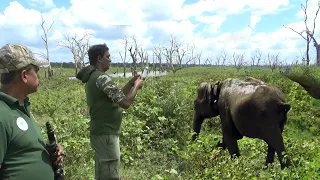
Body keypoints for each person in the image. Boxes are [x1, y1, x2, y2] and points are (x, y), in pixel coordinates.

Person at [76, 43, 144, 180]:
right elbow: (125, 103)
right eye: (108, 56)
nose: (110, 59)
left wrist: (131, 84)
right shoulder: (101, 78)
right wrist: (136, 86)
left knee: (102, 175)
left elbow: (117, 97)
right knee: (110, 175)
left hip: (101, 134)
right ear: (100, 58)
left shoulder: (94, 77)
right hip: (106, 136)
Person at [0, 43, 64, 179]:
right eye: (36, 71)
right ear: (24, 75)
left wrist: (48, 155)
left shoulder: (21, 109)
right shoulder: (2, 114)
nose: (38, 76)